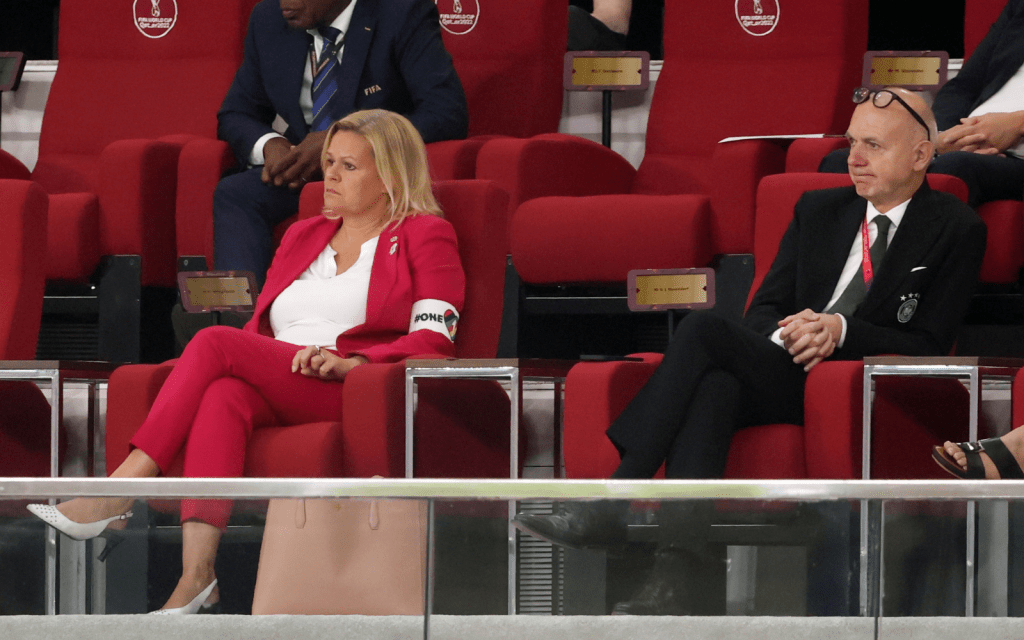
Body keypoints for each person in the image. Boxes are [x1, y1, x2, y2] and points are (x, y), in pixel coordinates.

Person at [515, 87, 988, 615]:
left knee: (702, 340)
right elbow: (762, 311)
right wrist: (793, 334)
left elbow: (927, 344)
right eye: (852, 142)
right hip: (784, 366)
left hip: (852, 388)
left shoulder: (956, 228)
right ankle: (675, 575)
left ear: (921, 156)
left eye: (873, 146)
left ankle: (619, 499)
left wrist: (840, 329)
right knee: (716, 382)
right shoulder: (818, 209)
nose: (854, 158)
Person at [27, 109, 465, 614]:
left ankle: (120, 490)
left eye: (349, 166)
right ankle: (197, 576)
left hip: (352, 386)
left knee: (216, 343)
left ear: (390, 176)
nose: (331, 177)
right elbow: (261, 328)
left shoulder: (425, 235)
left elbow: (435, 337)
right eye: (329, 163)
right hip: (283, 374)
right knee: (222, 396)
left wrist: (356, 360)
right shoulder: (302, 235)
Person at [215, 0, 468, 285]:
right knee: (235, 193)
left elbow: (445, 112)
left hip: (375, 172)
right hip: (306, 171)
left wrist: (340, 144)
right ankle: (235, 320)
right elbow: (236, 113)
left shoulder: (401, 12)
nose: (284, 3)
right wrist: (270, 144)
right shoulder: (269, 20)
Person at [820, 0, 1024, 208]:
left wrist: (1018, 124)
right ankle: (858, 241)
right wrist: (939, 137)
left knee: (955, 168)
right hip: (964, 141)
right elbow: (964, 86)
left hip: (1015, 156)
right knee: (841, 162)